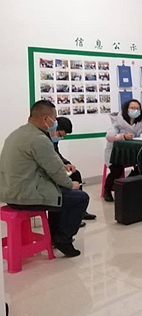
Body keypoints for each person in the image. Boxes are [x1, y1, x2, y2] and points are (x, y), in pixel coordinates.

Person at [0, 100, 90, 257]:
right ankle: (63, 239)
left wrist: (62, 172)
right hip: (25, 195)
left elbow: (39, 164)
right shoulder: (39, 139)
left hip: (9, 192)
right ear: (46, 119)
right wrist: (71, 184)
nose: (55, 123)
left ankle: (54, 235)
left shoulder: (17, 134)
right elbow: (55, 171)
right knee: (80, 197)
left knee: (59, 194)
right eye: (54, 119)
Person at [103, 99, 142, 202]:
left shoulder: (141, 121)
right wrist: (123, 136)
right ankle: (107, 190)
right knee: (117, 170)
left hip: (131, 153)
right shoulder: (118, 121)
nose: (135, 110)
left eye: (137, 108)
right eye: (132, 108)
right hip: (115, 153)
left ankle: (129, 181)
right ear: (126, 109)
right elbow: (109, 137)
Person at [53, 117, 96, 223]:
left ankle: (80, 212)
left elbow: (56, 154)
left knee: (76, 174)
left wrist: (67, 163)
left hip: (56, 166)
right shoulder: (43, 140)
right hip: (51, 172)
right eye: (60, 135)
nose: (60, 138)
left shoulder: (53, 141)